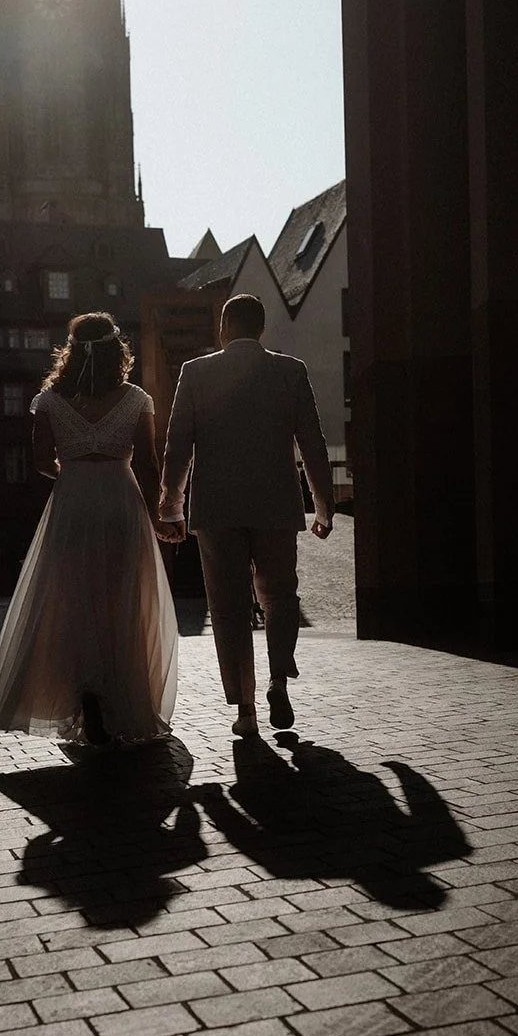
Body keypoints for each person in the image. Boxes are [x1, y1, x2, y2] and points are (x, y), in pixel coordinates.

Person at [0, 312, 177, 747]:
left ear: (70, 352)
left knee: (72, 605)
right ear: (115, 351)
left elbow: (39, 462)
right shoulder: (136, 399)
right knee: (121, 605)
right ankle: (123, 703)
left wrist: (72, 473)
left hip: (72, 506)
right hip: (120, 505)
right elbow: (146, 463)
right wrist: (162, 514)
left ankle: (87, 706)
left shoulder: (49, 401)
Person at [158, 293, 334, 735]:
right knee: (280, 595)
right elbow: (312, 443)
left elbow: (178, 447)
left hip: (217, 508)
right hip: (276, 504)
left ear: (223, 328)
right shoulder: (291, 372)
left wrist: (172, 506)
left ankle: (245, 711)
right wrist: (324, 504)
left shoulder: (195, 373)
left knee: (230, 607)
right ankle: (278, 679)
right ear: (260, 329)